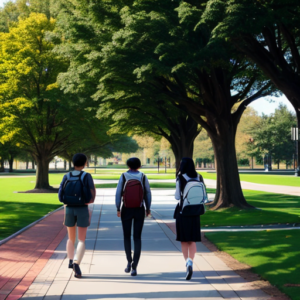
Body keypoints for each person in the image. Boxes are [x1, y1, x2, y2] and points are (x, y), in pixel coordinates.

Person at [58, 153, 96, 278]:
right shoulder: (86, 175)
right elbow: (91, 193)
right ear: (85, 163)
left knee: (70, 238)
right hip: (82, 208)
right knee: (81, 239)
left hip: (69, 209)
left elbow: (60, 195)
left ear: (73, 163)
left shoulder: (67, 175)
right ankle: (76, 263)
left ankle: (70, 260)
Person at [115, 157, 151, 276]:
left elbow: (118, 192)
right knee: (137, 238)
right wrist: (148, 208)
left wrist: (118, 207)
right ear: (139, 166)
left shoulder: (124, 176)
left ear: (128, 166)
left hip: (126, 209)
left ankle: (129, 262)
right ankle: (135, 266)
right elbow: (147, 193)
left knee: (126, 237)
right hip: (139, 209)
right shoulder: (143, 176)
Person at [174, 157, 204, 280]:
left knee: (184, 240)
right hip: (196, 211)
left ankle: (187, 262)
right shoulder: (199, 177)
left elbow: (177, 196)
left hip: (183, 211)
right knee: (192, 240)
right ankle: (191, 261)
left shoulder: (181, 177)